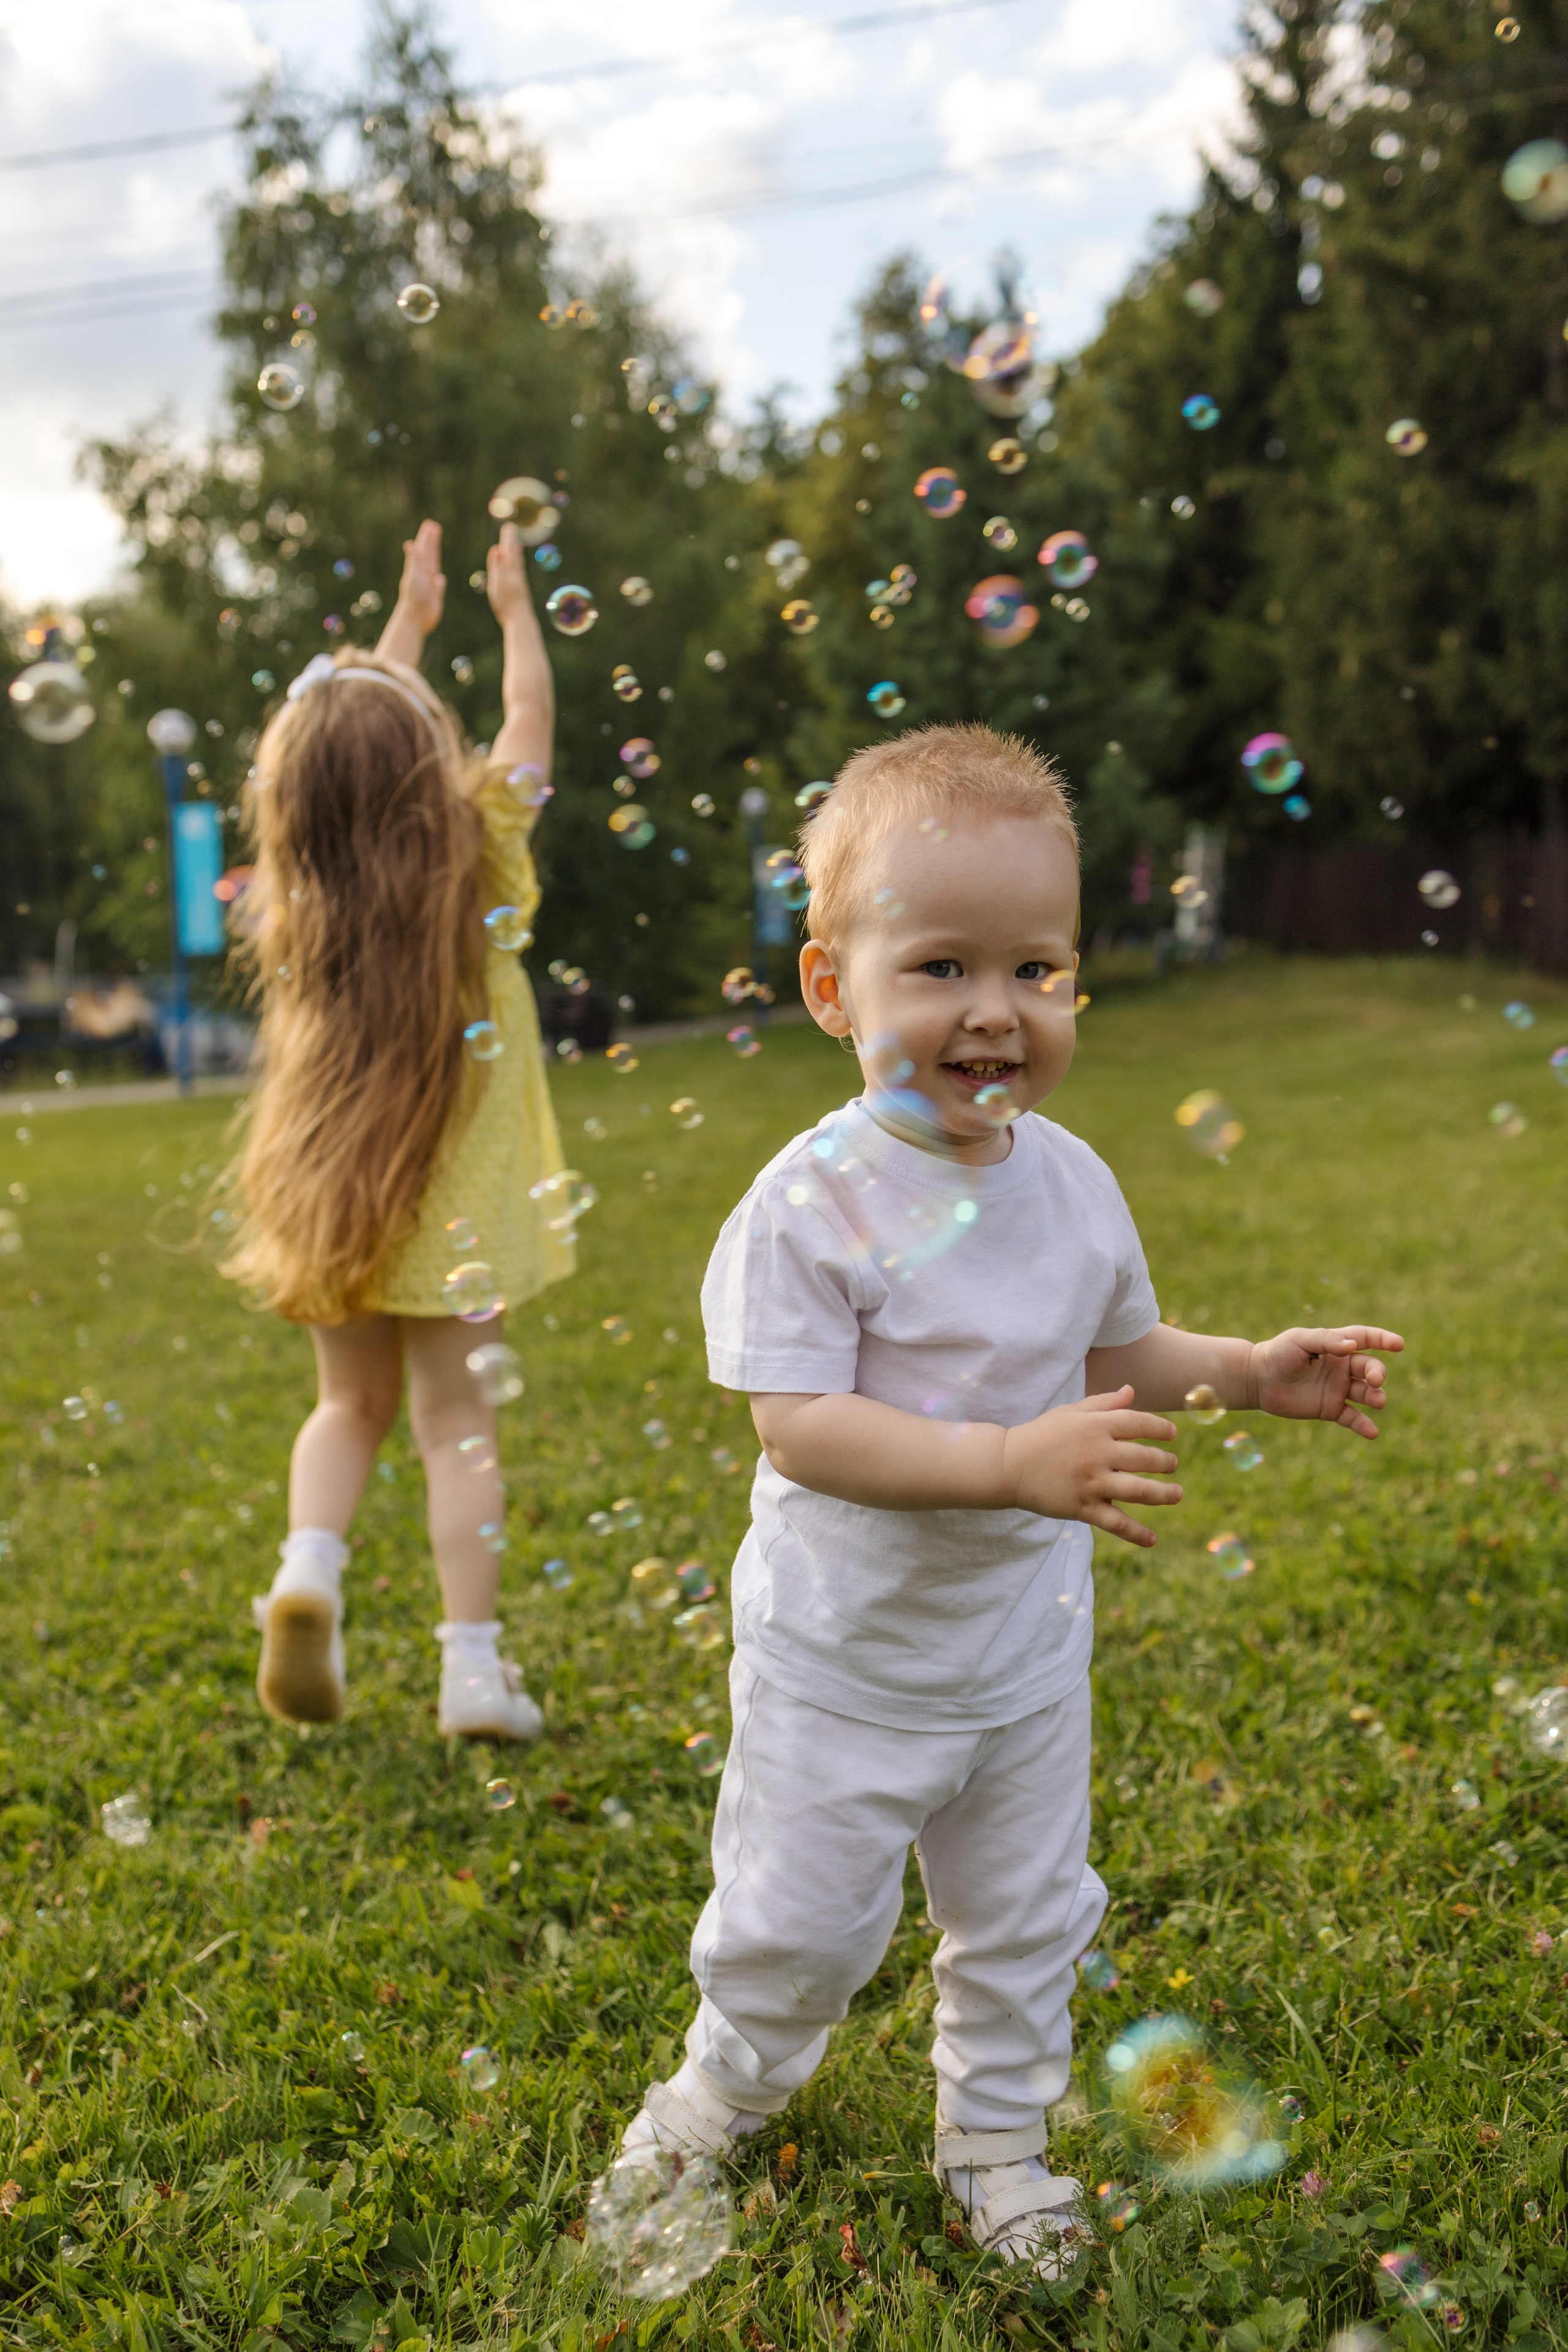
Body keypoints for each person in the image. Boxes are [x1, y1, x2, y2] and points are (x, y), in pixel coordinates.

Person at [600, 723, 1403, 2275]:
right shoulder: (806, 1203)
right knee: (800, 1927)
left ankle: (996, 2139)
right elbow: (800, 1428)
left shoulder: (1074, 1180)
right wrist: (1005, 1462)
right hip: (845, 1664)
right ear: (836, 990)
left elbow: (1118, 1350)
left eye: (1035, 970)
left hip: (1021, 1660)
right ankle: (718, 2091)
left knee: (1031, 1914)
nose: (993, 1012)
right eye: (940, 968)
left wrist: (1249, 1369)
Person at [223, 519, 572, 1740]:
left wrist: (403, 631)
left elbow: (349, 761)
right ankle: (470, 1669)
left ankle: (306, 1571)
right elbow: (522, 721)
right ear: (438, 778)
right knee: (453, 1425)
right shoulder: (480, 869)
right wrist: (511, 613)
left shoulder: (305, 912)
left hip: (339, 1197)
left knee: (347, 1408)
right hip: (462, 1221)